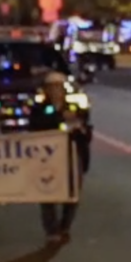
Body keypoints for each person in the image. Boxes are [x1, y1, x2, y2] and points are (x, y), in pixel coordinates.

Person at [32, 70, 91, 242]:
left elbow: (85, 129)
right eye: (52, 87)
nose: (56, 91)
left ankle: (65, 226)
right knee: (47, 192)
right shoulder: (40, 109)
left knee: (72, 193)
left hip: (71, 157)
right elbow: (36, 126)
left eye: (59, 87)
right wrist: (58, 118)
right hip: (48, 159)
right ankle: (51, 229)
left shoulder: (74, 107)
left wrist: (80, 128)